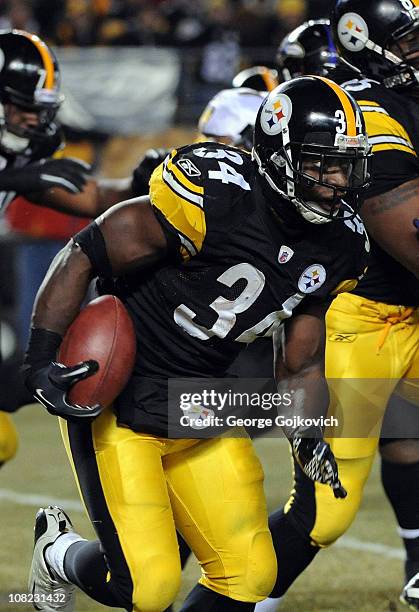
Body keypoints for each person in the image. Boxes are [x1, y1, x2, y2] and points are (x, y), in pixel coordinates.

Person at [23, 75, 371, 612]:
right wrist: (41, 358)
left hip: (201, 404)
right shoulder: (217, 196)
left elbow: (301, 364)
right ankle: (59, 552)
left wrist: (307, 434)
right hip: (125, 398)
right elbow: (85, 251)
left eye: (344, 165)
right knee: (145, 588)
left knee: (250, 574)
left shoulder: (342, 243)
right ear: (278, 157)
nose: (335, 182)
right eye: (320, 164)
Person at [259, 2, 419, 610]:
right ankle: (238, 597)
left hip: (410, 312)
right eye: (411, 40)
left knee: (411, 447)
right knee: (327, 508)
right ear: (367, 44)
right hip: (364, 315)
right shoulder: (363, 115)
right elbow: (409, 238)